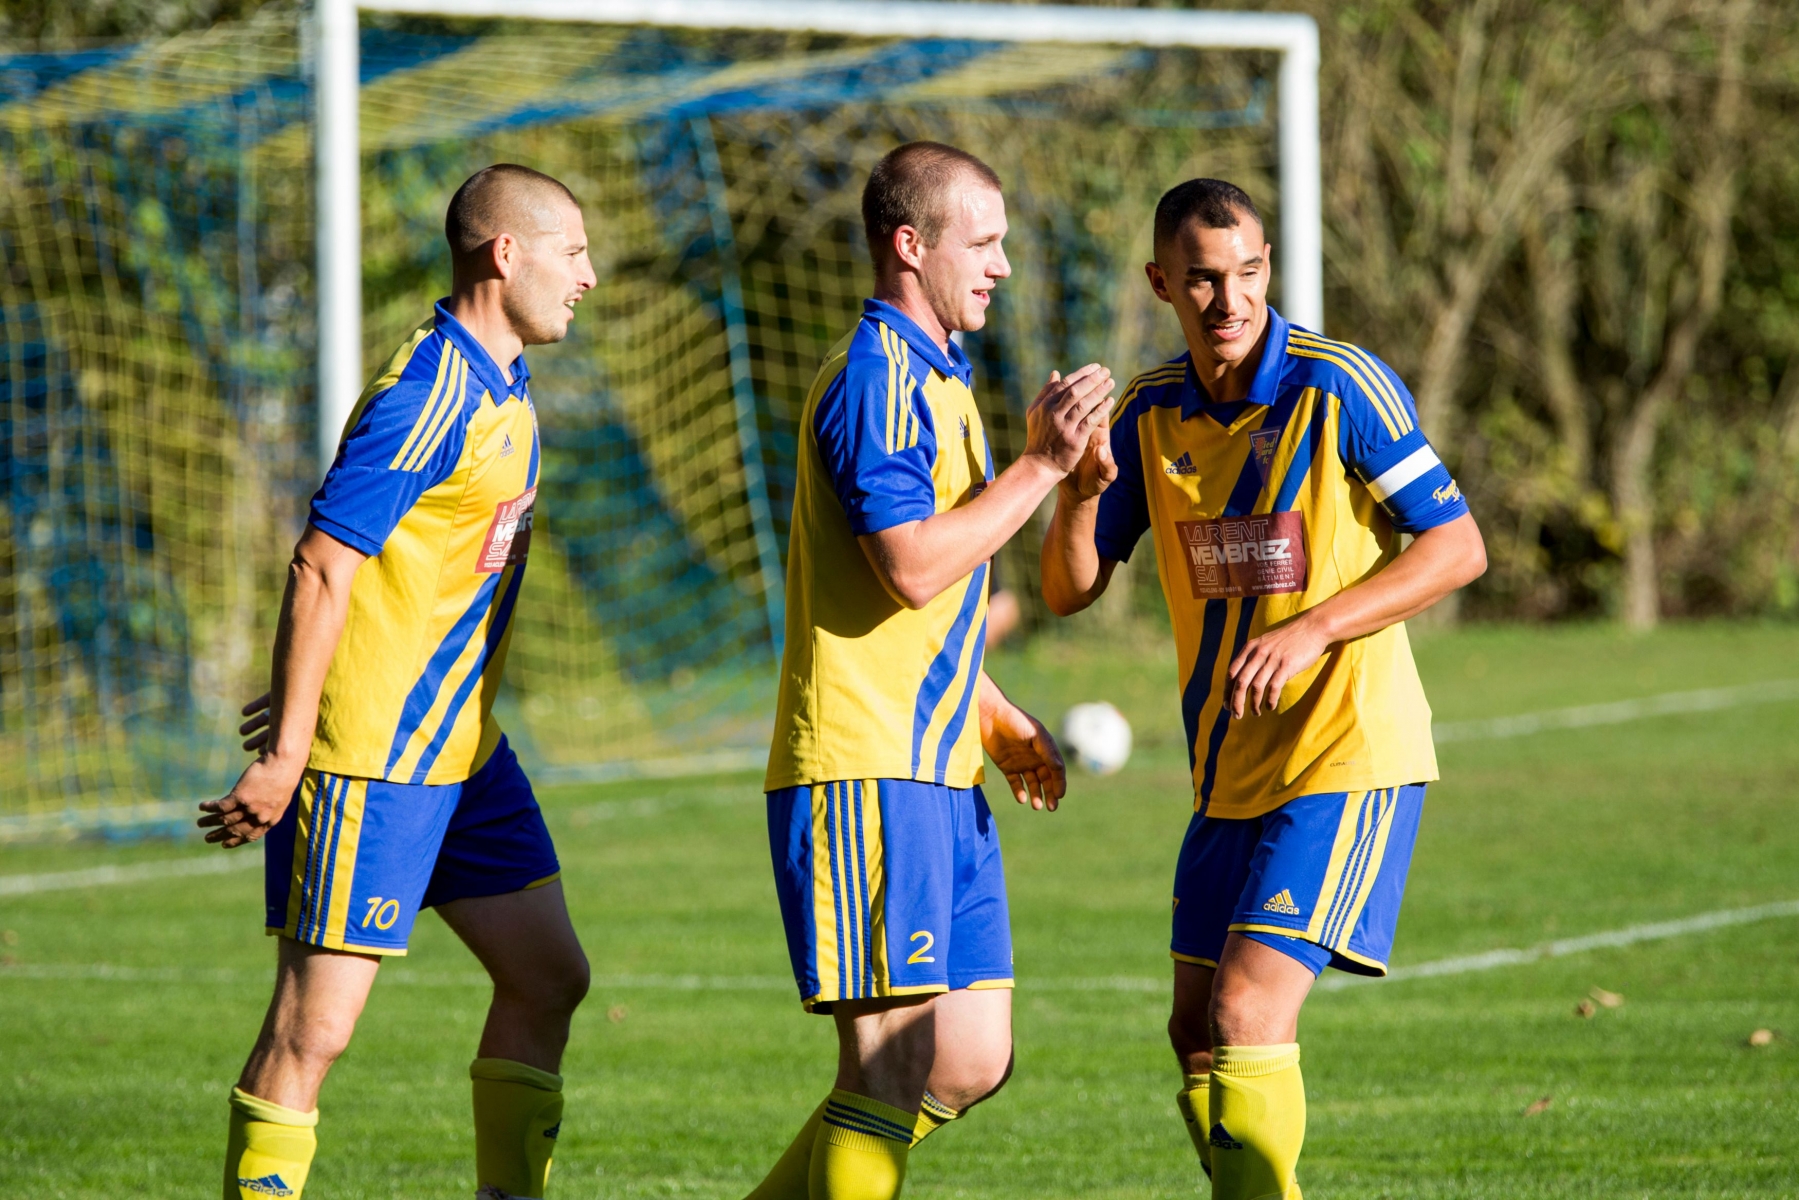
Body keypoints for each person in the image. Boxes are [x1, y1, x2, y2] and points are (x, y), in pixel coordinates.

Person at [1039, 178, 1487, 1199]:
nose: (1227, 299)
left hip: (1343, 750)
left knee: (1243, 1015)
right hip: (1227, 770)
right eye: (1199, 279)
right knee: (1192, 1031)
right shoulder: (1148, 414)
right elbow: (1067, 590)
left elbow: (1456, 546)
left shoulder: (1340, 387)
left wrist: (1313, 628)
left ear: (1268, 268)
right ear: (1161, 281)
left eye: (1244, 273)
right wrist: (1075, 487)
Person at [199, 164, 598, 1200]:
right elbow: (322, 562)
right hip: (374, 760)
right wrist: (294, 748)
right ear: (504, 254)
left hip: (464, 755)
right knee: (310, 1033)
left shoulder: (503, 387)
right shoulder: (430, 392)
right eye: (571, 251)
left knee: (549, 976)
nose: (587, 277)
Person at [744, 141, 1113, 1200]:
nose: (1000, 265)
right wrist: (1040, 468)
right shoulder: (876, 379)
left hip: (935, 767)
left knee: (965, 1059)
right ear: (909, 246)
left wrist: (988, 713)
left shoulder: (939, 379)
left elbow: (934, 603)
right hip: (865, 767)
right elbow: (908, 569)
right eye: (983, 242)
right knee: (889, 1067)